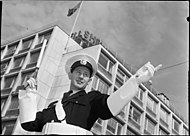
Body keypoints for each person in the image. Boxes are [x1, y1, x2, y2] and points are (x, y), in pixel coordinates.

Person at [19, 54, 162, 135]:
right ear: (70, 75)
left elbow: (110, 106)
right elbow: (29, 124)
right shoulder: (53, 107)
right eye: (78, 72)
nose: (81, 76)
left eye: (85, 74)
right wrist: (29, 93)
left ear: (89, 80)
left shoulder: (92, 99)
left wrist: (135, 81)